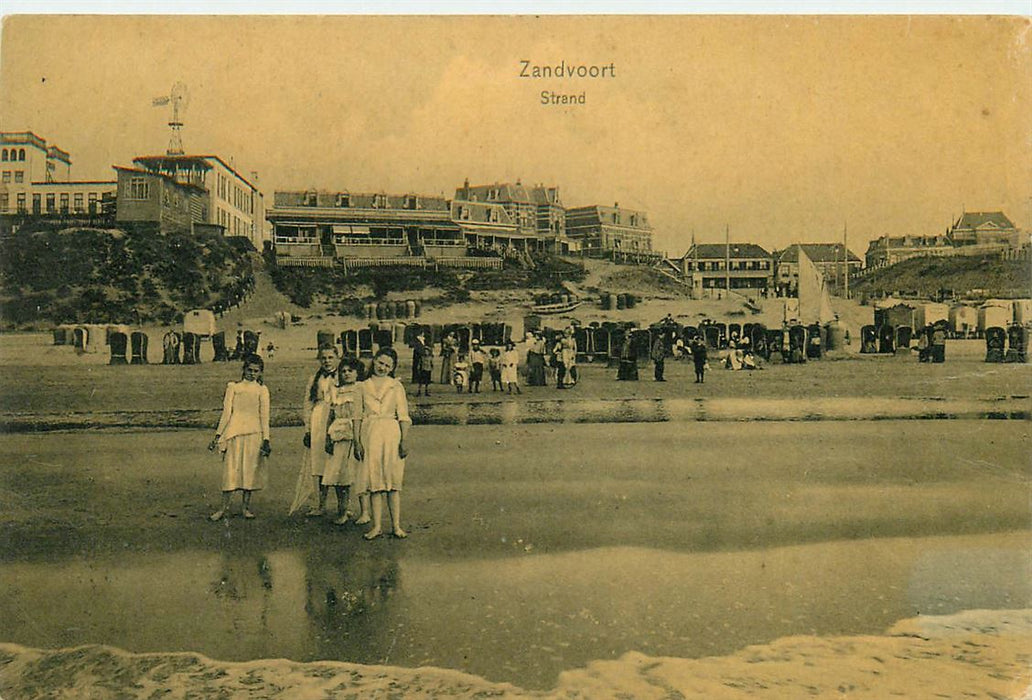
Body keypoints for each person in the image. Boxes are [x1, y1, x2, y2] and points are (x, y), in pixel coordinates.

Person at [208, 354, 271, 521]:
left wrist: (266, 440)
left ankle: (245, 508)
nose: (252, 373)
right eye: (249, 370)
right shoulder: (234, 387)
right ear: (243, 370)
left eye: (256, 371)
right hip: (235, 433)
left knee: (249, 471)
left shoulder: (262, 390)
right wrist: (218, 435)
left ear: (260, 372)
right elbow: (227, 413)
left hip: (254, 434)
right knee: (231, 470)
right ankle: (223, 509)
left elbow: (264, 417)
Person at [359, 347, 411, 539]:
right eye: (380, 363)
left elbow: (404, 416)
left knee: (393, 481)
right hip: (371, 433)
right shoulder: (362, 386)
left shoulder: (395, 386)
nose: (383, 368)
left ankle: (396, 526)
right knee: (375, 481)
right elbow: (358, 416)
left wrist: (404, 440)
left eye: (388, 365)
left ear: (393, 368)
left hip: (391, 433)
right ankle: (377, 526)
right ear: (374, 360)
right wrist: (358, 442)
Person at [323, 356, 365, 526]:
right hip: (338, 435)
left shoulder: (361, 388)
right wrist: (327, 437)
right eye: (343, 371)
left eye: (350, 371)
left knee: (359, 475)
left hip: (356, 434)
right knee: (339, 476)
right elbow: (331, 415)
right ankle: (342, 510)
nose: (346, 374)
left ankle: (365, 512)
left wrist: (359, 438)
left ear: (357, 373)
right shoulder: (336, 391)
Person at [302, 344, 339, 518]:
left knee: (338, 463)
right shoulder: (314, 378)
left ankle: (343, 507)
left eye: (330, 357)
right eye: (323, 358)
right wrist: (308, 429)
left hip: (337, 419)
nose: (327, 361)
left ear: (337, 358)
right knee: (320, 464)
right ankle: (321, 505)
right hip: (318, 420)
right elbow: (307, 405)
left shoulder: (343, 376)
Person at [412, 331, 433, 397]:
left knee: (427, 381)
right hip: (423, 369)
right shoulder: (422, 357)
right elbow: (419, 363)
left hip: (428, 369)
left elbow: (431, 363)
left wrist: (431, 367)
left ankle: (426, 391)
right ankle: (419, 391)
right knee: (421, 381)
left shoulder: (429, 357)